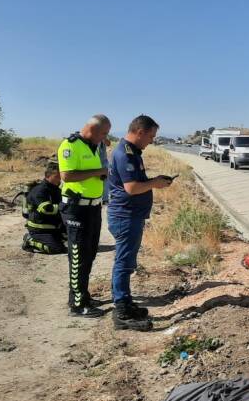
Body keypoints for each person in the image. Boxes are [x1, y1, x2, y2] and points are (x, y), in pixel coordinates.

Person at [107, 115, 172, 331]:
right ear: (140, 132)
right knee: (124, 264)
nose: (152, 141)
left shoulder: (132, 152)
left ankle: (125, 302)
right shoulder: (125, 154)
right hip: (126, 216)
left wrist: (155, 180)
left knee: (126, 263)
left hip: (130, 215)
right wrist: (155, 183)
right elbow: (132, 188)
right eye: (151, 136)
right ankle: (122, 311)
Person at [57, 114, 111, 318]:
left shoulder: (93, 145)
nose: (105, 138)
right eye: (103, 133)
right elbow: (67, 175)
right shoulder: (70, 146)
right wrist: (99, 171)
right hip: (76, 209)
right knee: (78, 256)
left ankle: (83, 295)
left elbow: (103, 144)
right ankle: (77, 305)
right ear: (93, 130)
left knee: (90, 254)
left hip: (93, 207)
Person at [20, 159, 67, 254]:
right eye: (57, 176)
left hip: (53, 227)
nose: (59, 179)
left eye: (60, 176)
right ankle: (29, 241)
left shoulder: (56, 189)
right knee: (55, 249)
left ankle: (59, 238)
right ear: (47, 176)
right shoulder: (39, 191)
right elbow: (46, 209)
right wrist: (66, 207)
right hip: (40, 229)